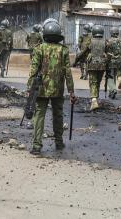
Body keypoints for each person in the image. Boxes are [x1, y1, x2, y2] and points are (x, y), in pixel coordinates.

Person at [29, 21, 75, 155]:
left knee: (39, 116)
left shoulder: (39, 49)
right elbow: (68, 72)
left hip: (41, 89)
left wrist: (29, 88)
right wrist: (71, 91)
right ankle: (59, 143)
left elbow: (33, 70)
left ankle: (37, 146)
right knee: (58, 115)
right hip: (58, 90)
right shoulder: (63, 50)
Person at [105, 26, 121, 99]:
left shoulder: (108, 41)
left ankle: (113, 90)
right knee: (116, 73)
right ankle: (119, 79)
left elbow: (106, 51)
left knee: (110, 76)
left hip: (111, 60)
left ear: (111, 32)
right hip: (119, 60)